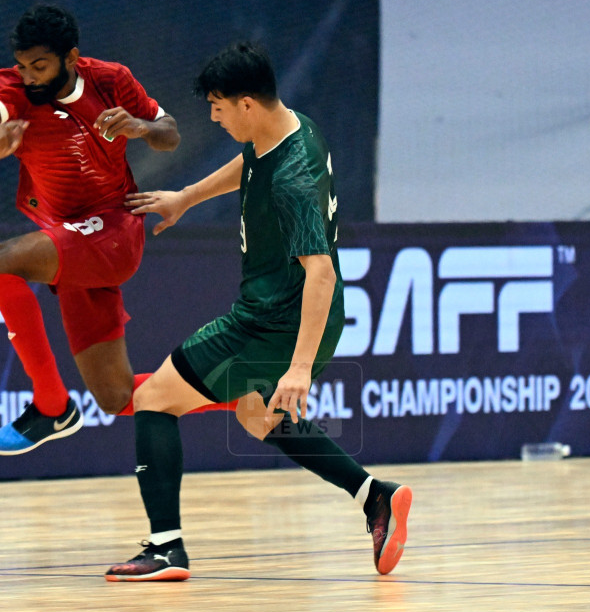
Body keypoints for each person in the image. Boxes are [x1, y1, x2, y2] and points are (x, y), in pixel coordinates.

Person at [104, 42, 413, 581]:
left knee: (153, 400)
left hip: (274, 323)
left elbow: (321, 273)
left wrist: (298, 368)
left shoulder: (294, 178)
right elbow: (250, 163)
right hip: (287, 315)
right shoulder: (291, 126)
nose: (213, 118)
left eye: (218, 107)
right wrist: (186, 197)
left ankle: (166, 547)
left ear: (246, 103)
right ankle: (374, 496)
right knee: (258, 416)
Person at [0, 4, 183, 455]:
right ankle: (247, 396)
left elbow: (169, 133)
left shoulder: (111, 80)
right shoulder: (11, 89)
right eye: (22, 66)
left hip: (115, 229)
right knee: (116, 396)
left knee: (0, 262)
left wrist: (140, 127)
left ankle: (51, 406)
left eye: (39, 66)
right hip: (71, 240)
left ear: (71, 57)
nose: (29, 76)